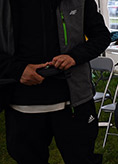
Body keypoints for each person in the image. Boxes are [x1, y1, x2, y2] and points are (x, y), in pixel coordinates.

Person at [0, 0, 110, 163]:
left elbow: (101, 36)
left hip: (73, 103)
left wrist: (74, 57)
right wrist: (17, 70)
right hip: (23, 105)